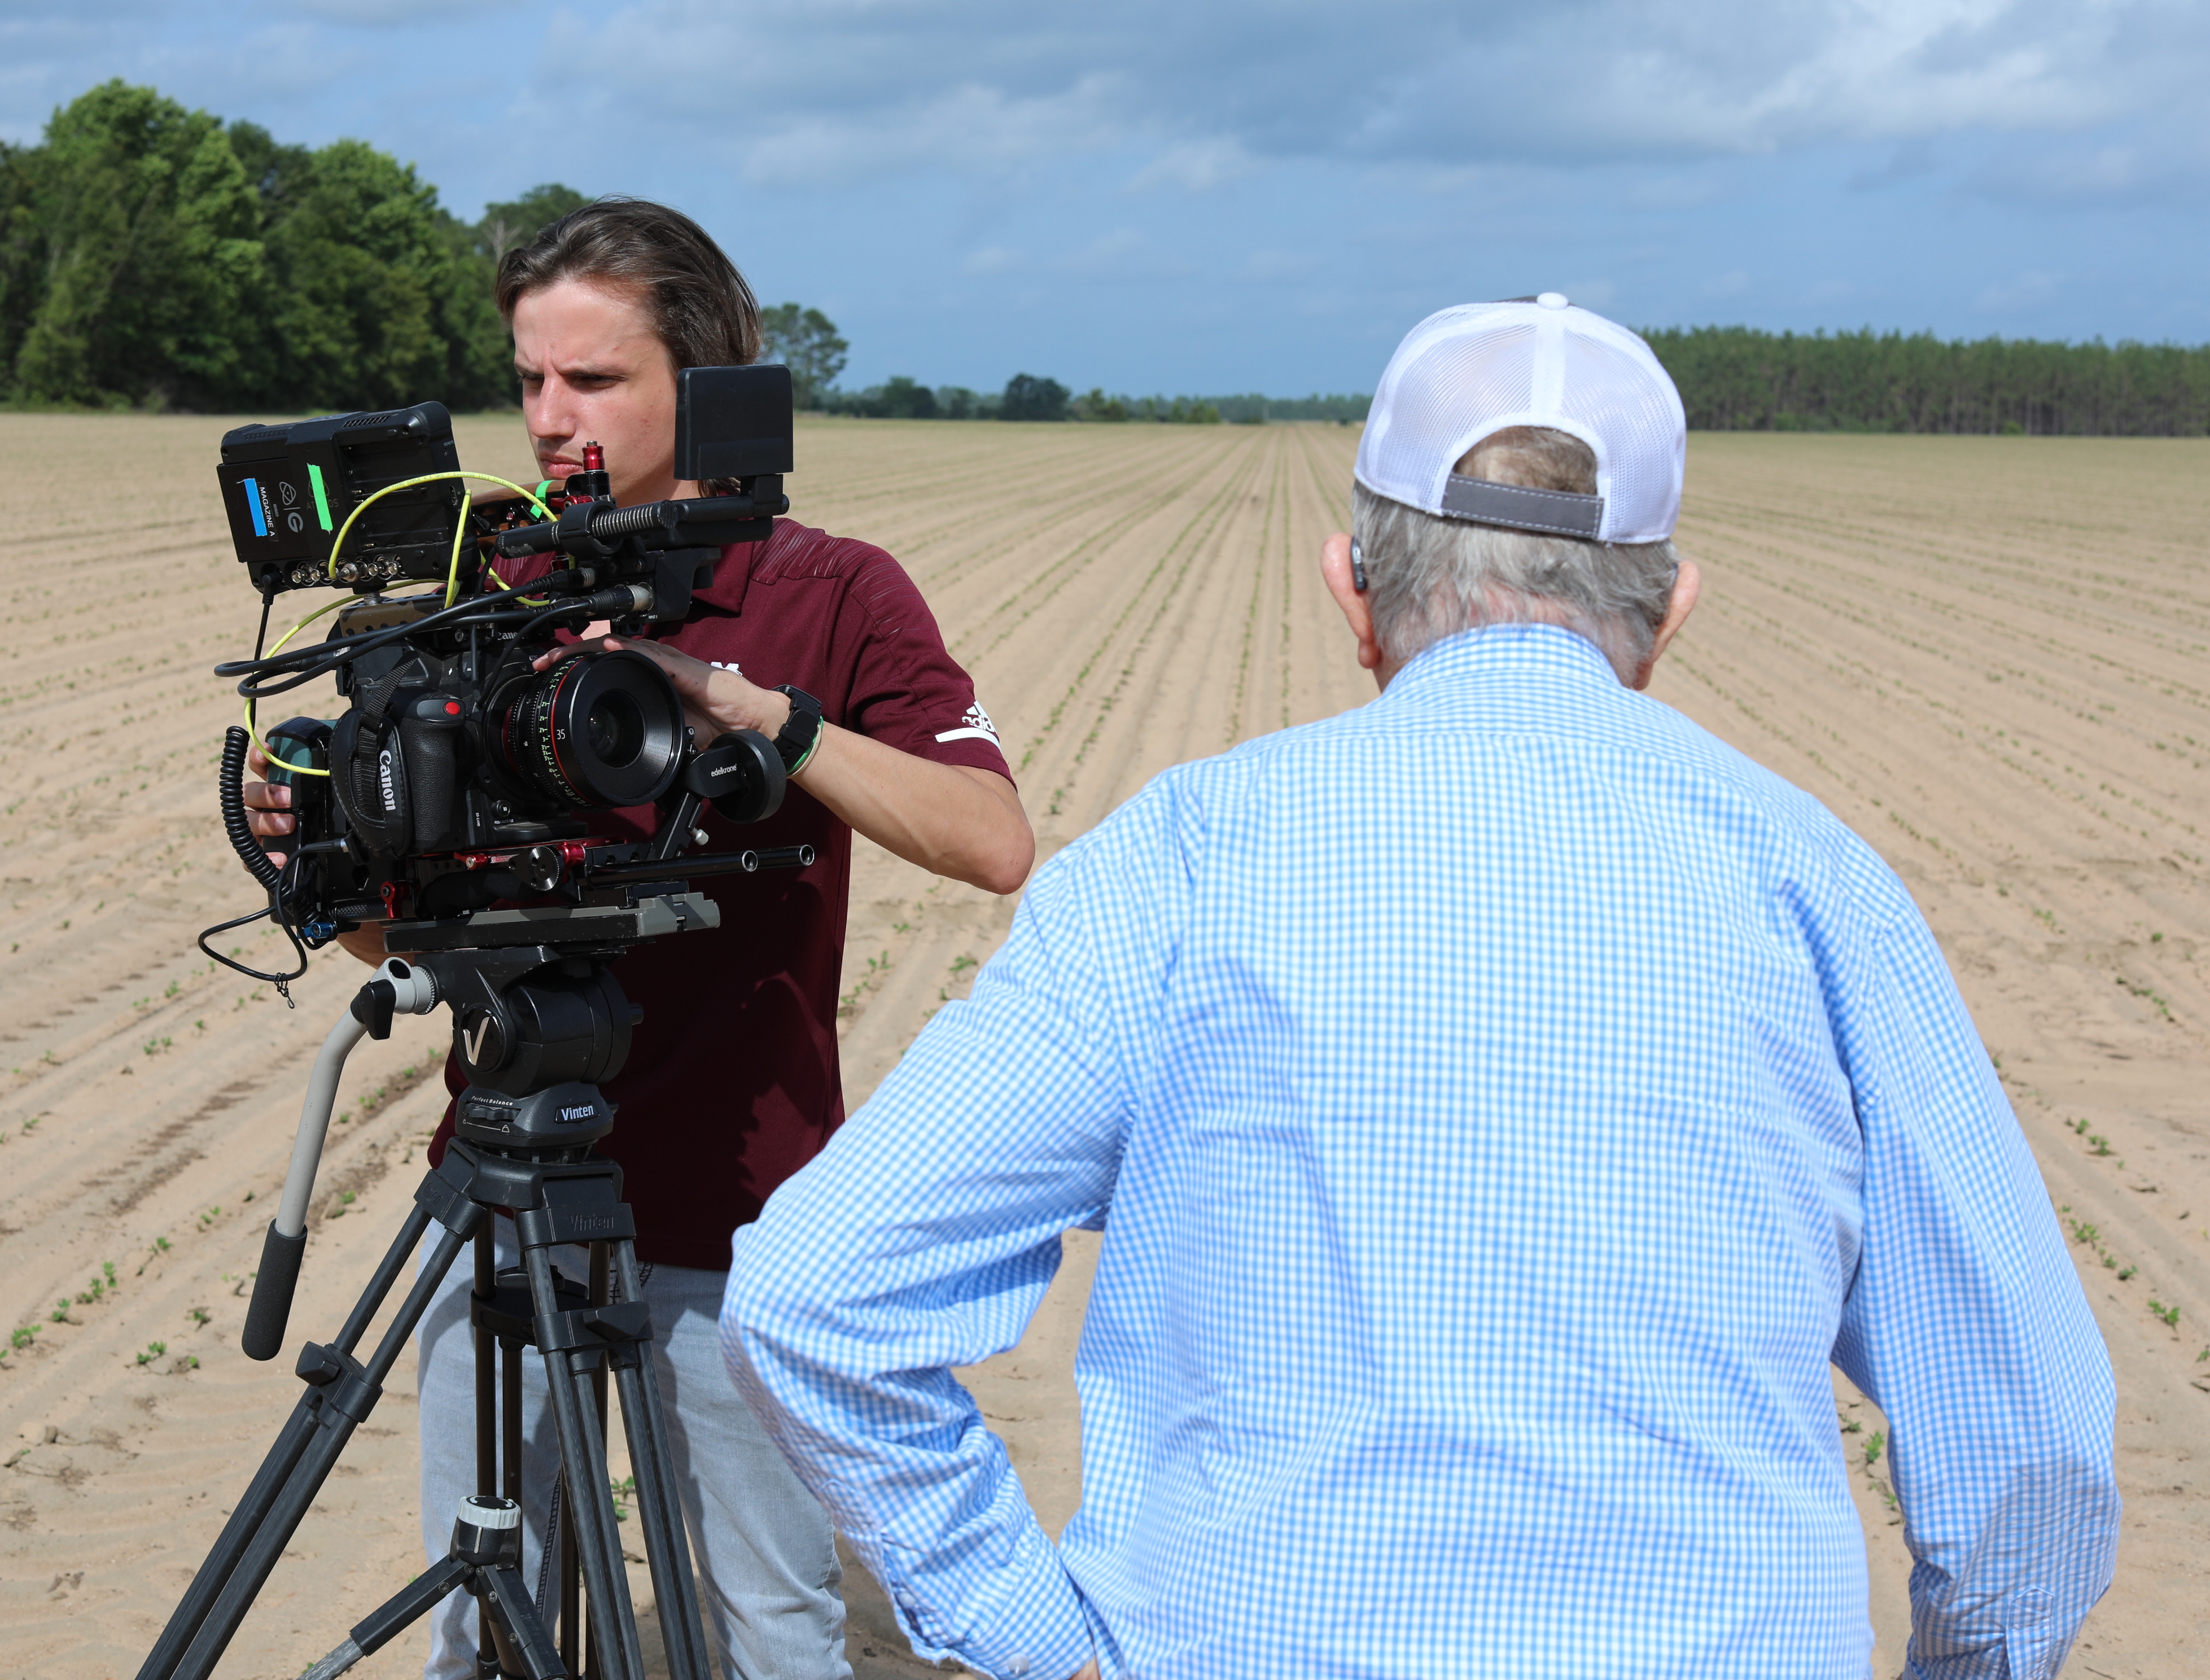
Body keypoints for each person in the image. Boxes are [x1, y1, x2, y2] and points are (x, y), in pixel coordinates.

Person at [719, 294, 2121, 1680]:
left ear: (1354, 588)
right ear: (1671, 608)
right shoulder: (1819, 884)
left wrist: (1041, 1641)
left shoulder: (1188, 856)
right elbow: (2033, 1444)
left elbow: (817, 1297)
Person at [240, 198, 1034, 1680]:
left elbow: (992, 841)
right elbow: (411, 940)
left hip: (738, 1220)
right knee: (486, 1624)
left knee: (772, 1632)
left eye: (594, 379)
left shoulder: (833, 592)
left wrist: (756, 713)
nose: (552, 419)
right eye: (531, 380)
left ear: (709, 382)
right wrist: (328, 864)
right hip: (504, 1188)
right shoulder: (490, 595)